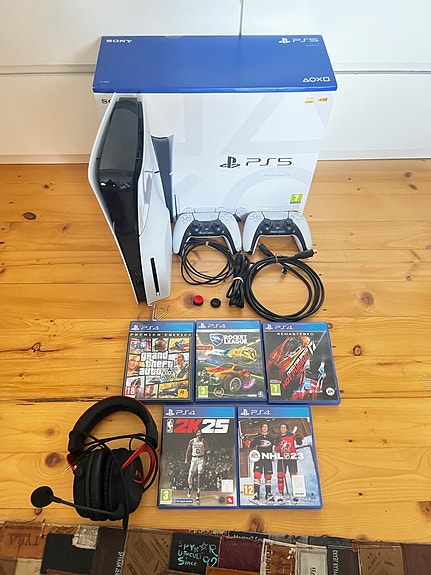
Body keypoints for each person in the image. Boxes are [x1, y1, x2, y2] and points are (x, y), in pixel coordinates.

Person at [245, 422, 276, 502]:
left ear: (268, 428)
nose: (264, 428)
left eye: (266, 427)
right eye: (263, 426)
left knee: (268, 476)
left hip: (268, 458)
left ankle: (268, 494)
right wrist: (245, 440)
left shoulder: (272, 437)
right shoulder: (257, 437)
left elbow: (277, 444)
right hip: (259, 458)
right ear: (261, 428)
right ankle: (256, 494)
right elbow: (250, 445)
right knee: (257, 475)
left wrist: (278, 441)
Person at [274, 423, 304, 503]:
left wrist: (299, 439)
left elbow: (300, 436)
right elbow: (276, 449)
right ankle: (281, 494)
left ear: (286, 429)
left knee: (293, 476)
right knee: (280, 476)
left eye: (284, 427)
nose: (283, 429)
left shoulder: (291, 435)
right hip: (282, 459)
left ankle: (296, 494)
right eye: (281, 427)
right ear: (280, 429)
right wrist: (277, 443)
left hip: (292, 458)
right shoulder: (278, 437)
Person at [185, 429, 210, 503]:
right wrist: (186, 459)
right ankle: (190, 488)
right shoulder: (192, 441)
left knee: (199, 476)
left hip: (201, 459)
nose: (200, 433)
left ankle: (198, 493)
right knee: (190, 475)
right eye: (198, 432)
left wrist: (208, 460)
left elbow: (208, 451)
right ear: (196, 433)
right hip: (194, 459)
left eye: (201, 432)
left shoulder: (203, 441)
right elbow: (188, 451)